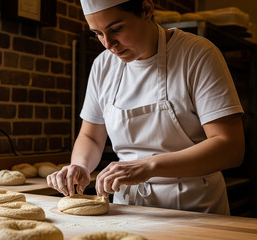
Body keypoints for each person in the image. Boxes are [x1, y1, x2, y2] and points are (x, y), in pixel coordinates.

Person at [47, 0, 245, 215]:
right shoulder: (103, 65)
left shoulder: (197, 54)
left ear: (147, 10)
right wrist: (81, 165)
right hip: (127, 208)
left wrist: (149, 166)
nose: (108, 44)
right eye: (98, 33)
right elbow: (91, 135)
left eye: (116, 29)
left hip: (194, 208)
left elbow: (230, 147)